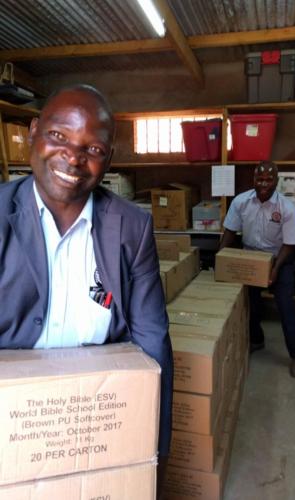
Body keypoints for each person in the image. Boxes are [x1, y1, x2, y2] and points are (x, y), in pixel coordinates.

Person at [0, 84, 173, 496]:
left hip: (98, 422)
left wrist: (154, 455)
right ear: (34, 132)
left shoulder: (131, 227)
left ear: (108, 160)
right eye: (59, 137)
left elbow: (153, 341)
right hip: (14, 429)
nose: (73, 158)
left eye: (93, 149)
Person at [219, 161, 295, 378]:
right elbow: (229, 232)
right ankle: (256, 340)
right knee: (251, 304)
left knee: (286, 306)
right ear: (253, 179)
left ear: (277, 181)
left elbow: (290, 244)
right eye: (260, 179)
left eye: (269, 179)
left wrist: (274, 270)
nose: (264, 184)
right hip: (251, 258)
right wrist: (220, 259)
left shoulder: (287, 208)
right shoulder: (241, 202)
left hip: (280, 258)